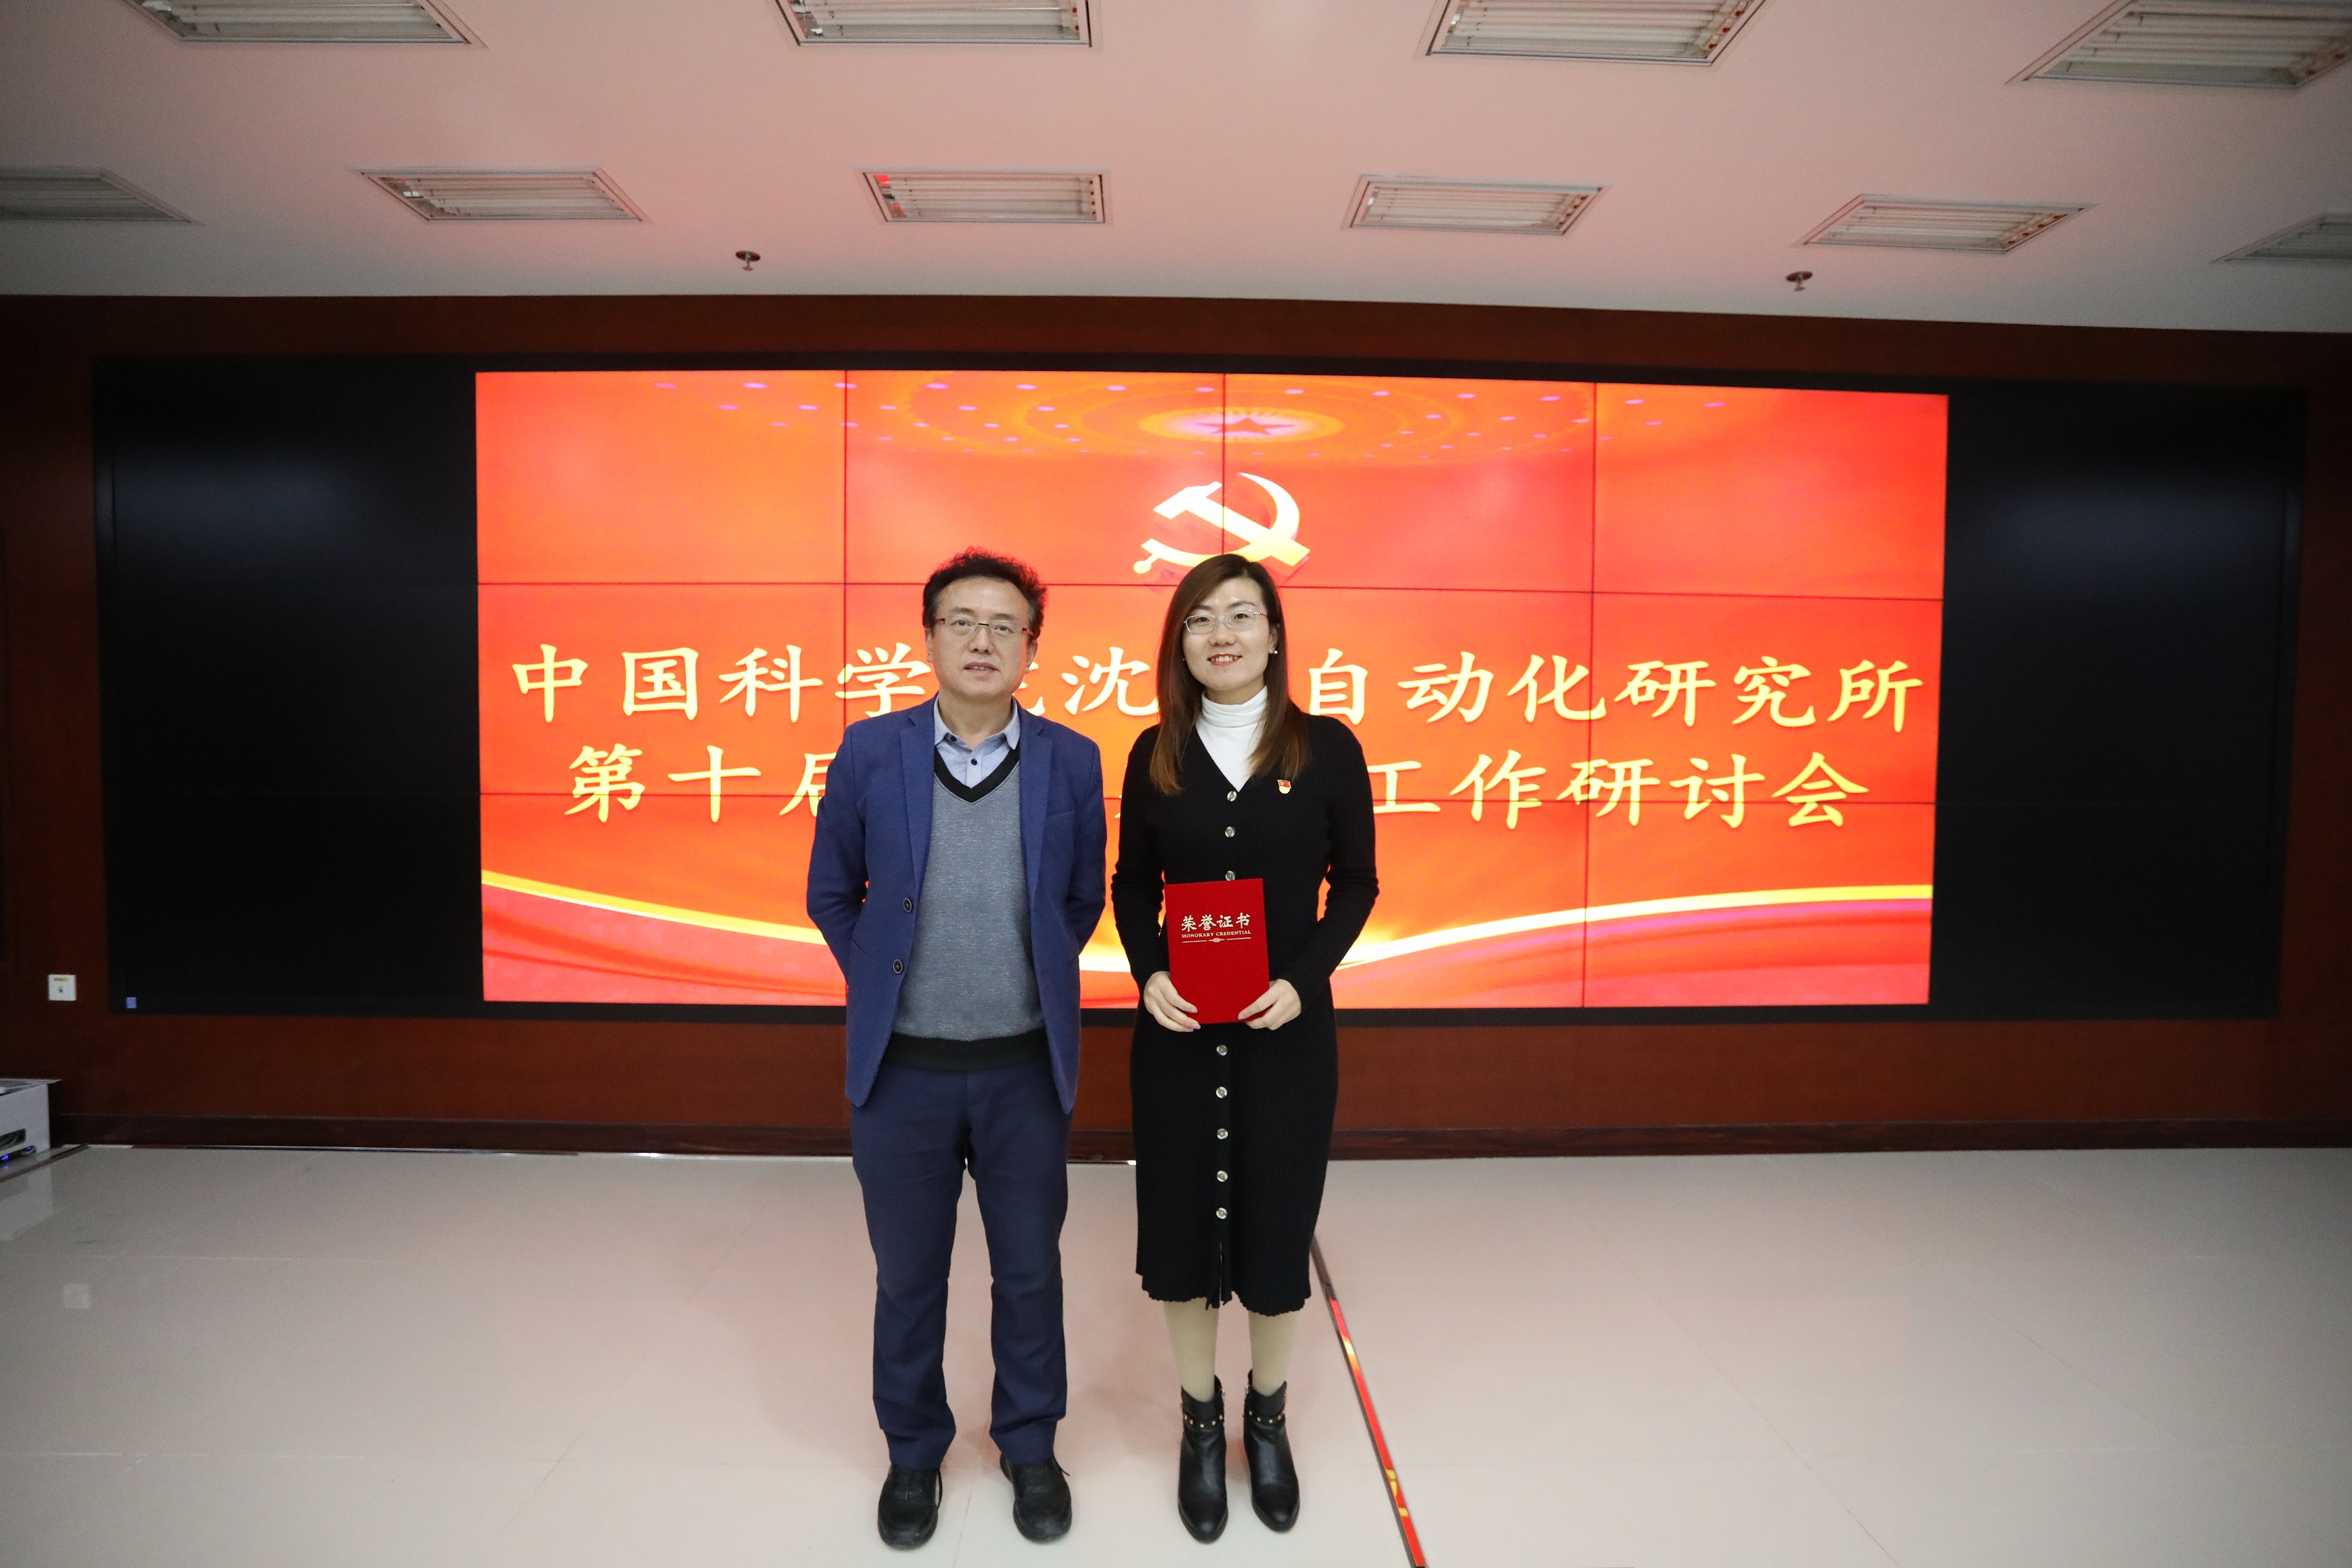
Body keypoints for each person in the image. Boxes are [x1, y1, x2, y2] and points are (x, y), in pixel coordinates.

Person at [807, 549, 1107, 1550]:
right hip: (903, 1074)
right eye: (963, 622)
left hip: (1025, 1068)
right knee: (908, 1277)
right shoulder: (869, 750)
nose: (984, 640)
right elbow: (831, 892)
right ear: (929, 638)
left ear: (1031, 646)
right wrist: (886, 980)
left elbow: (1079, 898)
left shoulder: (1072, 759)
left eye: (1004, 625)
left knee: (1029, 1271)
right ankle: (912, 1452)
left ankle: (1029, 1444)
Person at [1111, 553, 1379, 1541]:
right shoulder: (1155, 753)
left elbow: (1357, 883)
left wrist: (1301, 980)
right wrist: (1150, 971)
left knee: (1275, 1225)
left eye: (1240, 615)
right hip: (1180, 1035)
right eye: (1200, 619)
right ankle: (1199, 1420)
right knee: (1182, 1232)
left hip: (1285, 1038)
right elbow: (1133, 884)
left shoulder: (1327, 747)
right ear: (1179, 643)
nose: (1220, 634)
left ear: (1273, 634)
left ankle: (1267, 1417)